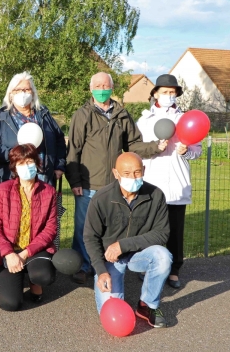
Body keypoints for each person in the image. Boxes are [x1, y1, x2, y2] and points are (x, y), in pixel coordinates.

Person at [65, 72, 167, 284]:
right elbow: (73, 150)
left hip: (116, 185)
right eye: (98, 86)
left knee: (116, 227)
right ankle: (85, 267)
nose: (102, 89)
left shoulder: (122, 114)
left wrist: (155, 147)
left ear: (112, 89)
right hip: (88, 184)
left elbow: (133, 144)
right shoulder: (82, 115)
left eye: (106, 86)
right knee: (85, 228)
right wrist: (75, 181)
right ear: (91, 89)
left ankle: (116, 264)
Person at [83, 152, 172, 328]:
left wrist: (123, 245)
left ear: (144, 170)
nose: (133, 177)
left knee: (163, 256)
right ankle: (113, 289)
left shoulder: (156, 195)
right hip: (110, 259)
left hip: (138, 254)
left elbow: (162, 233)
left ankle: (148, 305)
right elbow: (90, 237)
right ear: (116, 173)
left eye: (137, 172)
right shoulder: (101, 198)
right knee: (111, 311)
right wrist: (100, 270)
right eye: (126, 173)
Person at [137, 74, 202, 289]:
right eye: (164, 92)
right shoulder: (144, 119)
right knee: (150, 229)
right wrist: (155, 147)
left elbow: (197, 150)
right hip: (151, 182)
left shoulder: (185, 118)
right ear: (155, 93)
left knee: (175, 230)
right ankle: (149, 266)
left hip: (176, 183)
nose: (169, 95)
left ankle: (174, 270)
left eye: (172, 92)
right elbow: (137, 149)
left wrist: (186, 151)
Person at [0, 144, 58, 311]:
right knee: (11, 304)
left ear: (37, 163)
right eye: (21, 163)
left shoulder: (49, 191)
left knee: (44, 276)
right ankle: (17, 275)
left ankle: (34, 279)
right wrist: (9, 254)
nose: (26, 166)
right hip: (7, 250)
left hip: (34, 249)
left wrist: (25, 253)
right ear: (14, 167)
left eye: (30, 161)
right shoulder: (3, 190)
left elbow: (50, 229)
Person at [0, 71, 66, 189]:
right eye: (18, 90)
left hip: (43, 178)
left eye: (27, 89)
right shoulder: (2, 117)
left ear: (33, 93)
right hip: (12, 178)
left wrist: (59, 166)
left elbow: (59, 139)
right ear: (11, 93)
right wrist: (12, 154)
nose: (23, 93)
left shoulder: (43, 114)